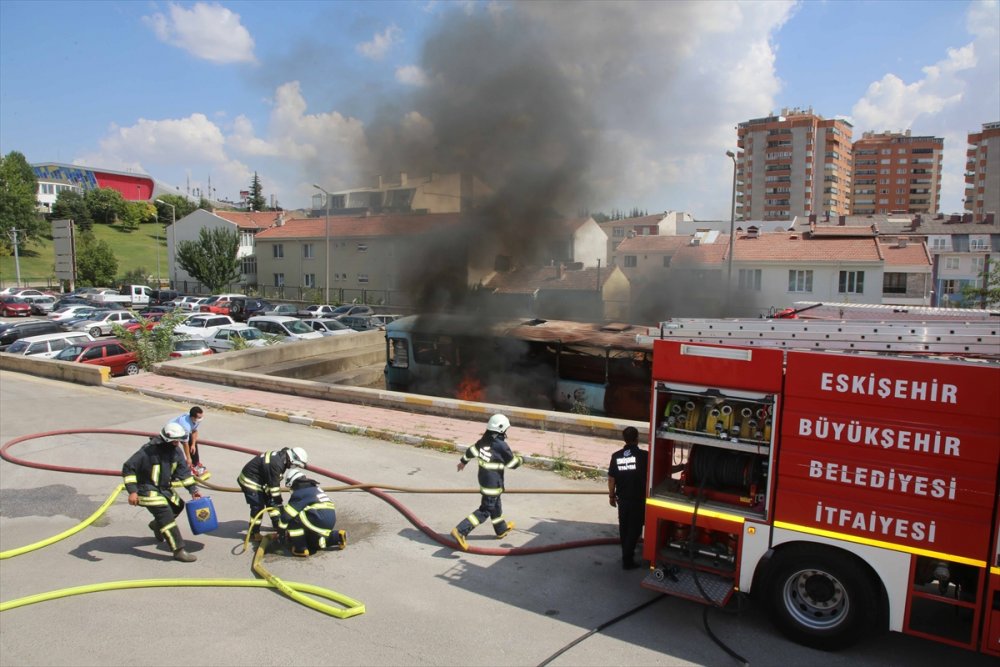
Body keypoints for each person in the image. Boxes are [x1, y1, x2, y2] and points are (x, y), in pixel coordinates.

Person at [122, 422, 202, 562]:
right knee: (166, 516)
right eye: (175, 441)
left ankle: (157, 525)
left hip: (164, 489)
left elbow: (183, 472)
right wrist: (133, 491)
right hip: (146, 489)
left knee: (178, 506)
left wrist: (193, 490)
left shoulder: (176, 452)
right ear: (166, 440)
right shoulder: (147, 452)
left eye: (179, 440)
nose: (178, 444)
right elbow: (128, 468)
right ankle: (178, 550)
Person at [450, 414, 522, 551]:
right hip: (493, 484)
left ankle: (501, 529)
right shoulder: (501, 446)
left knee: (496, 505)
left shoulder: (484, 440)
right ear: (501, 429)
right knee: (485, 510)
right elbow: (513, 464)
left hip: (484, 480)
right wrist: (521, 460)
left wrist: (463, 462)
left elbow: (472, 450)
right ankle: (460, 530)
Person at [237, 447, 308, 541]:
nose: (293, 466)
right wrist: (279, 503)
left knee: (271, 501)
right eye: (295, 464)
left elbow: (272, 483)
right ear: (291, 459)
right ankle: (254, 533)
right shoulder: (276, 464)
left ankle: (277, 525)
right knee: (258, 507)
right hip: (249, 480)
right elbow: (274, 488)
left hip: (262, 480)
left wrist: (276, 502)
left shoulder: (281, 458)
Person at [276, 469, 346, 556]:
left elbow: (287, 516)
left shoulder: (299, 493)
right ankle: (337, 537)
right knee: (313, 543)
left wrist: (280, 531)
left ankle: (300, 549)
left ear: (293, 483)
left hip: (319, 518)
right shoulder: (314, 488)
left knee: (293, 520)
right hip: (330, 519)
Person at [608, 426, 649, 570]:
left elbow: (611, 479)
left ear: (624, 439)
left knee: (624, 528)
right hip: (638, 500)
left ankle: (626, 553)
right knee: (635, 529)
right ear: (637, 439)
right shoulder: (644, 456)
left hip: (623, 500)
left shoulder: (616, 456)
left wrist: (612, 496)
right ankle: (627, 559)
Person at [171, 406, 205, 476]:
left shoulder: (196, 420)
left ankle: (196, 464)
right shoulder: (186, 426)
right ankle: (183, 467)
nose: (201, 419)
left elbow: (194, 431)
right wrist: (189, 458)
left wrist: (193, 445)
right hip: (172, 432)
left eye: (201, 417)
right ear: (193, 417)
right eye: (199, 417)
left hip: (181, 431)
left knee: (193, 444)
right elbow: (185, 443)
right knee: (175, 450)